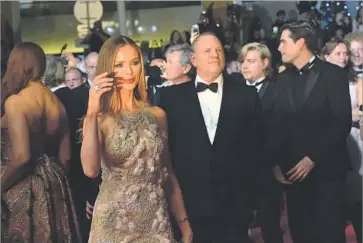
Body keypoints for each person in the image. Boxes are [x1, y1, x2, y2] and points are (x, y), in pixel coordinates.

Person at [80, 35, 192, 243]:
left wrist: (184, 224)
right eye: (119, 65)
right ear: (107, 69)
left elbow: (167, 172)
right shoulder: (99, 118)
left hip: (156, 222)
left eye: (134, 63)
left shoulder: (157, 115)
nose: (129, 72)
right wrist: (92, 109)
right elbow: (90, 169)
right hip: (113, 224)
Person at [160, 32, 264, 243]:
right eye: (207, 51)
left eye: (218, 50)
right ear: (193, 59)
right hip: (190, 206)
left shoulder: (246, 95)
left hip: (236, 205)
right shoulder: (170, 98)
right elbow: (167, 153)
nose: (215, 55)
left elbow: (257, 149)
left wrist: (253, 201)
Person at [269, 21, 352, 243]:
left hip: (327, 173)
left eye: (283, 42)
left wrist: (313, 158)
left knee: (330, 235)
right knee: (301, 234)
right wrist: (276, 163)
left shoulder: (333, 75)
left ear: (301, 43)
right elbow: (277, 124)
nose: (279, 48)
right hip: (294, 176)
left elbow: (341, 123)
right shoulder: (282, 79)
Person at [1, 42, 82, 242]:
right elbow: (66, 157)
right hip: (53, 183)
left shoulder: (16, 102)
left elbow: (22, 157)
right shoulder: (57, 104)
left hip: (19, 187)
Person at [240, 42, 283, 243]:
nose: (244, 66)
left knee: (270, 226)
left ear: (265, 63)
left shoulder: (276, 91)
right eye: (242, 61)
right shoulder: (235, 92)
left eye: (250, 61)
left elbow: (279, 132)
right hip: (240, 171)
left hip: (268, 170)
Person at [321, 38, 362, 243]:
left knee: (356, 191)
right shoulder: (319, 80)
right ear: (326, 56)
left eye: (345, 53)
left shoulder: (354, 79)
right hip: (331, 142)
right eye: (338, 53)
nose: (344, 57)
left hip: (354, 139)